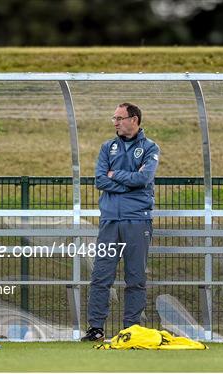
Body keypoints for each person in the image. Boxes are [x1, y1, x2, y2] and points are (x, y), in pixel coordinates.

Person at [81, 103, 160, 342]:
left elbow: (144, 178)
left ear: (133, 120)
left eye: (119, 118)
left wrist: (117, 176)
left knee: (135, 277)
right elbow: (100, 180)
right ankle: (96, 329)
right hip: (109, 221)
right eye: (113, 118)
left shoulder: (149, 147)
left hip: (137, 220)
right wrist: (129, 181)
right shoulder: (108, 147)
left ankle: (131, 330)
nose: (115, 122)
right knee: (101, 276)